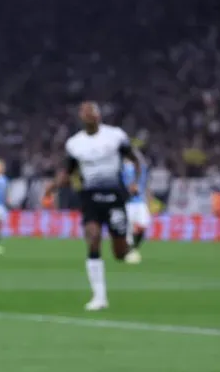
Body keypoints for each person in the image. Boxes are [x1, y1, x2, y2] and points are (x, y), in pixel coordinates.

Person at [43, 102, 145, 311]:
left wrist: (134, 181)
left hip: (115, 196)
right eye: (84, 113)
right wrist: (52, 187)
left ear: (98, 116)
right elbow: (67, 171)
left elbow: (136, 160)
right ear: (81, 118)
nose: (88, 116)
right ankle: (99, 297)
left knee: (119, 253)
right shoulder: (75, 144)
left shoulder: (115, 136)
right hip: (90, 197)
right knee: (93, 238)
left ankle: (130, 244)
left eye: (92, 112)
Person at [121, 159, 150, 264]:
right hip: (127, 203)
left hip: (140, 202)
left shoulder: (142, 167)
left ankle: (135, 248)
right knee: (128, 229)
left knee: (143, 225)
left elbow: (144, 183)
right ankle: (129, 251)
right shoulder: (121, 168)